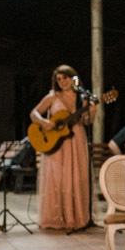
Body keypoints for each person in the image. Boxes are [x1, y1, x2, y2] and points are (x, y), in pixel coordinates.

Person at [30, 65, 97, 231]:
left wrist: (92, 109)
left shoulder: (82, 97)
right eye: (58, 79)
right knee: (58, 177)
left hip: (76, 140)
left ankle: (77, 217)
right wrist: (44, 121)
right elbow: (34, 113)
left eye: (65, 77)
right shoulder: (53, 96)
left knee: (75, 177)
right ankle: (56, 217)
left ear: (73, 78)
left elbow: (87, 121)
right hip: (56, 143)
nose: (62, 82)